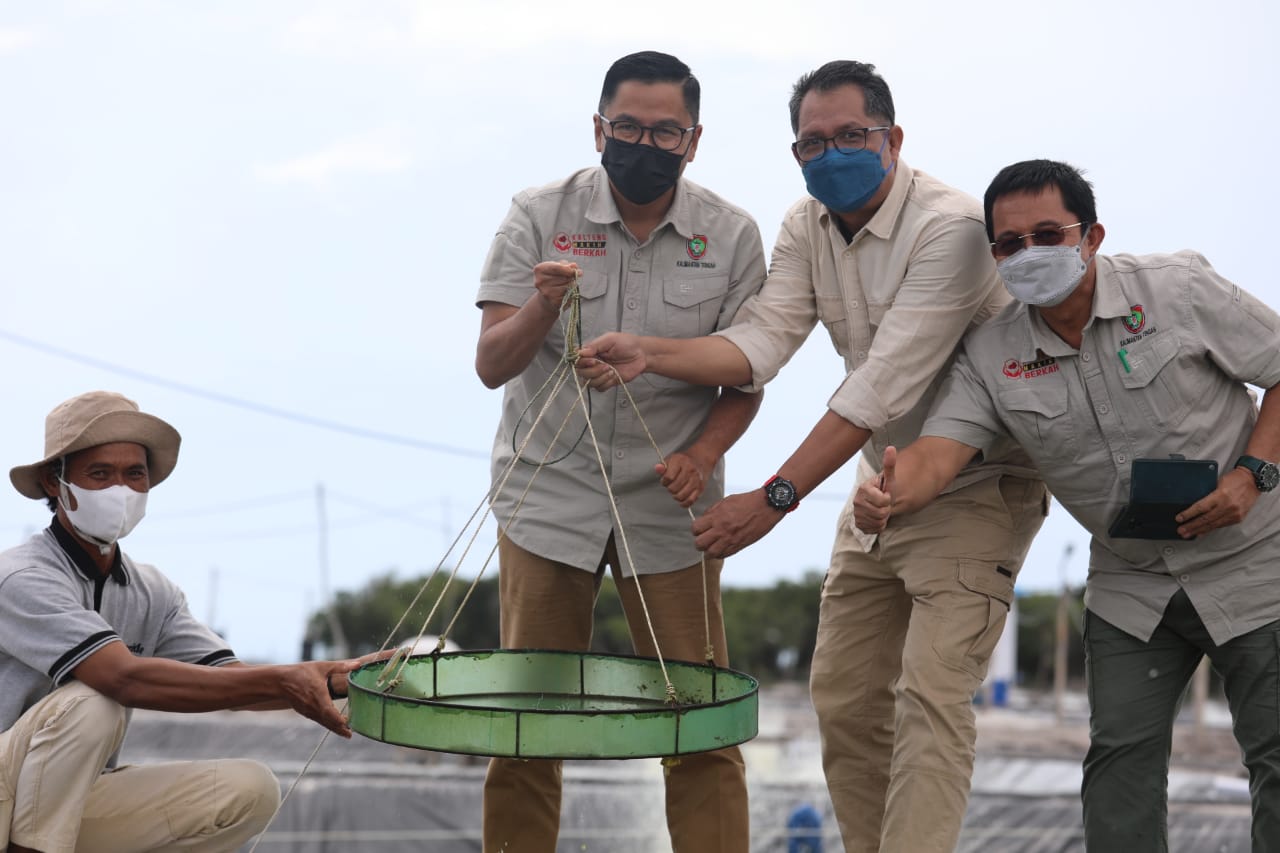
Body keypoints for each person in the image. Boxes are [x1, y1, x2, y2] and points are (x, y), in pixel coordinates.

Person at [576, 60, 1047, 852]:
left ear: (894, 139)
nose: (832, 155)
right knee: (842, 695)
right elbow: (762, 343)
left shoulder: (952, 228)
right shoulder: (805, 225)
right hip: (879, 479)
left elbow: (879, 383)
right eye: (813, 143)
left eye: (852, 136)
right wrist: (649, 352)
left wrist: (775, 497)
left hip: (976, 482)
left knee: (933, 696)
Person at [853, 159, 1280, 851]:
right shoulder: (991, 352)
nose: (1029, 253)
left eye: (1047, 234)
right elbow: (938, 452)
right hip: (1132, 583)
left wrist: (1252, 475)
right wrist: (887, 495)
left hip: (1257, 564)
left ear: (1092, 235)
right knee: (1118, 766)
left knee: (1274, 757)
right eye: (1009, 244)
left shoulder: (1175, 288)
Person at [473, 51, 765, 852]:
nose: (644, 142)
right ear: (599, 128)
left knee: (700, 721)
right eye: (627, 126)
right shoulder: (537, 212)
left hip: (673, 509)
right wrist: (542, 302)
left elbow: (747, 376)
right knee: (527, 722)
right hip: (547, 499)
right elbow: (492, 361)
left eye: (664, 130)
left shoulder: (732, 235)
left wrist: (702, 456)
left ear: (693, 139)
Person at [0, 390, 379, 853]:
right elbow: (121, 677)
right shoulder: (22, 576)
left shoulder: (150, 591)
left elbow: (229, 680)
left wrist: (341, 679)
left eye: (134, 474)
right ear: (55, 483)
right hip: (5, 792)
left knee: (249, 790)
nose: (120, 490)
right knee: (93, 700)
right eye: (99, 474)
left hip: (69, 799)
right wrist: (287, 680)